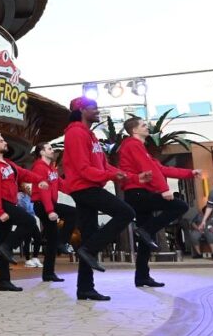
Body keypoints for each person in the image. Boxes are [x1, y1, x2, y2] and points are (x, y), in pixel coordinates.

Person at [63, 97, 153, 301]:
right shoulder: (76, 133)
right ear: (81, 110)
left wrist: (132, 177)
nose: (97, 111)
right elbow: (83, 169)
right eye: (93, 108)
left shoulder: (90, 135)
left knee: (88, 234)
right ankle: (88, 249)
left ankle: (85, 288)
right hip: (84, 187)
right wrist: (109, 176)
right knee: (126, 212)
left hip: (90, 185)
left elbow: (104, 167)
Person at [118, 117, 200, 287]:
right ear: (134, 131)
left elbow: (160, 169)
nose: (147, 126)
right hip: (137, 193)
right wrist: (164, 189)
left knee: (146, 240)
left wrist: (190, 173)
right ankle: (145, 231)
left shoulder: (140, 147)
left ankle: (142, 276)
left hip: (139, 194)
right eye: (143, 125)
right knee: (180, 206)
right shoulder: (133, 145)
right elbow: (149, 170)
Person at [0, 132, 48, 292]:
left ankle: (4, 281)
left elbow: (25, 174)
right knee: (30, 221)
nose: (5, 143)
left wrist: (40, 180)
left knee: (2, 241)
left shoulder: (8, 164)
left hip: (9, 203)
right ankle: (8, 247)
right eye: (1, 141)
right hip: (0, 204)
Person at [29, 142, 78, 282]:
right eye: (49, 149)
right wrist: (50, 210)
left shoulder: (52, 169)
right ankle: (62, 242)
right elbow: (44, 190)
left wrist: (76, 191)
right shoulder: (39, 167)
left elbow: (61, 185)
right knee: (73, 213)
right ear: (42, 152)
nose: (52, 151)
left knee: (52, 239)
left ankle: (48, 273)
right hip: (43, 204)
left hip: (49, 204)